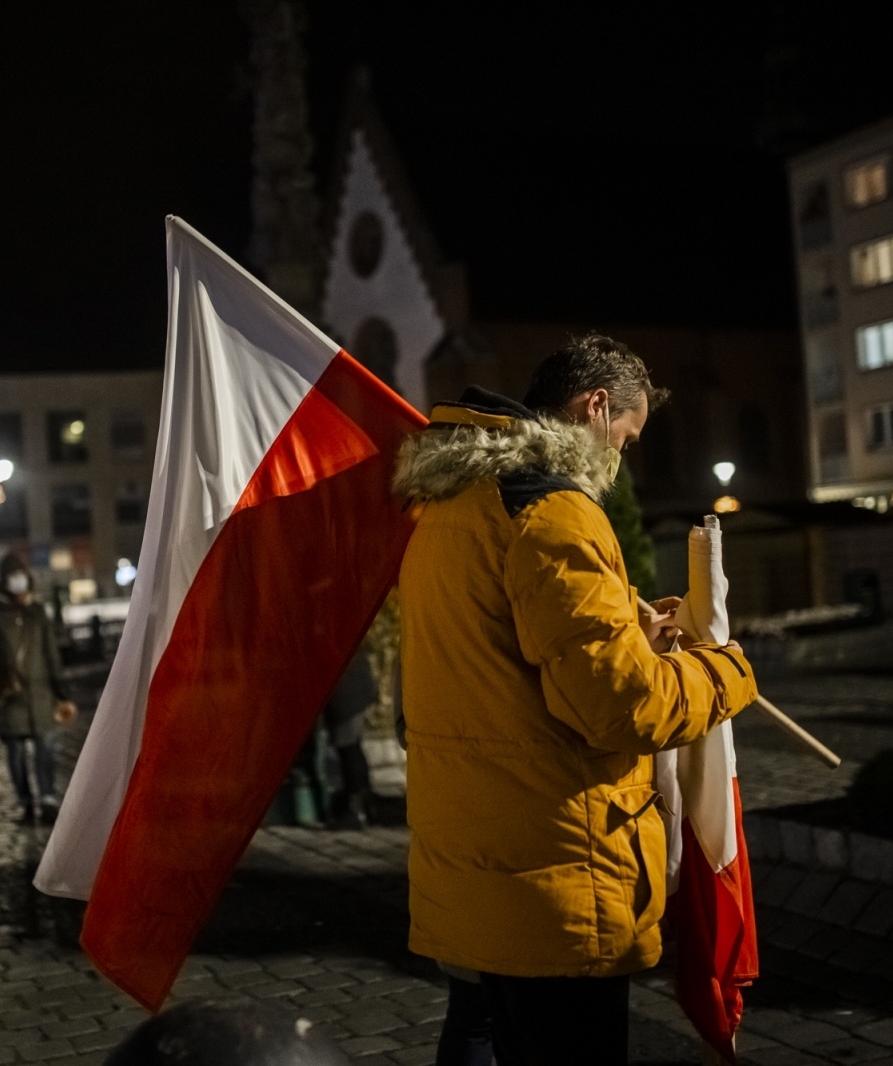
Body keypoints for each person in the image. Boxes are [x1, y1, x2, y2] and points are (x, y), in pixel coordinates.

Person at [393, 333, 758, 1066]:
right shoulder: (553, 508)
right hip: (558, 875)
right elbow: (622, 707)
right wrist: (728, 671)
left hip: (480, 858)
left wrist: (629, 625)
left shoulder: (453, 503)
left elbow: (505, 660)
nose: (619, 460)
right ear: (595, 407)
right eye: (624, 438)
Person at [0, 554, 78, 824]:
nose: (19, 582)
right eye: (14, 577)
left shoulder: (37, 613)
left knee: (46, 748)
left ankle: (47, 799)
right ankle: (25, 801)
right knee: (17, 752)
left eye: (22, 576)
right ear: (4, 582)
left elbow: (51, 654)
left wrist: (62, 691)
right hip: (10, 695)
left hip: (41, 694)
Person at [323, 645, 377, 829]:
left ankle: (357, 809)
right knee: (352, 747)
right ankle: (364, 804)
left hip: (347, 693)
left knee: (349, 748)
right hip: (355, 688)